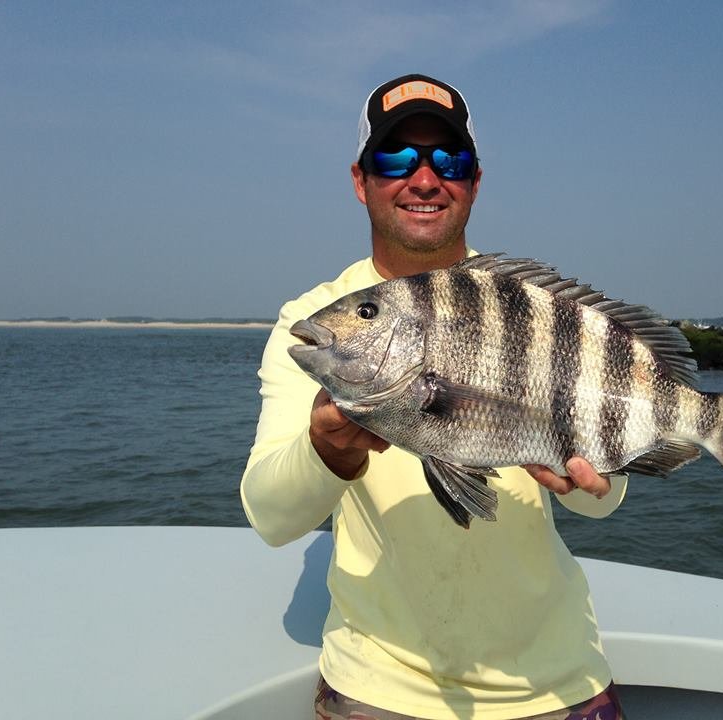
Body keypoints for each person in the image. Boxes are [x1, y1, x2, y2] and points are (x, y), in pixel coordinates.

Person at [241, 74, 628, 720]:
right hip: (378, 691)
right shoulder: (312, 322)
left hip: (558, 682)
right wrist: (326, 451)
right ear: (360, 181)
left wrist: (591, 478)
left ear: (474, 181)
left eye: (450, 160)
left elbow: (605, 503)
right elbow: (270, 515)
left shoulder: (532, 308)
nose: (425, 179)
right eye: (396, 158)